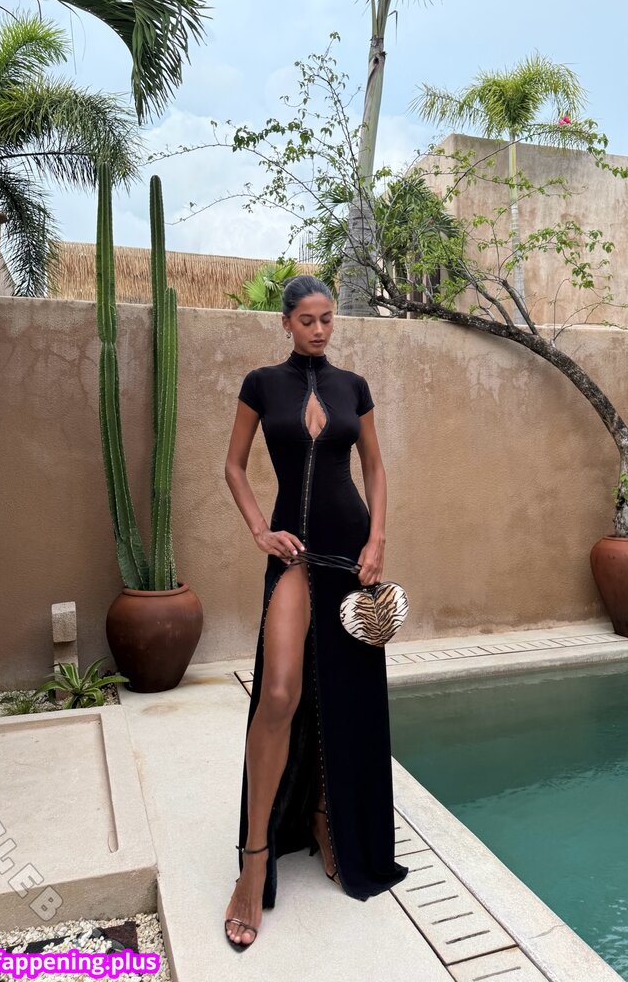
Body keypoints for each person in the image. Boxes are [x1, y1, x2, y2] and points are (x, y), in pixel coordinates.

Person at [223, 275, 408, 950]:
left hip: (350, 551)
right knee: (279, 693)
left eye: (327, 318)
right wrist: (259, 531)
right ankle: (254, 861)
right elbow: (234, 467)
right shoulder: (261, 384)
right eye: (307, 319)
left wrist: (377, 539)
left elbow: (375, 469)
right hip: (294, 554)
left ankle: (332, 822)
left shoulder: (353, 387)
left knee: (346, 697)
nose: (320, 329)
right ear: (285, 322)